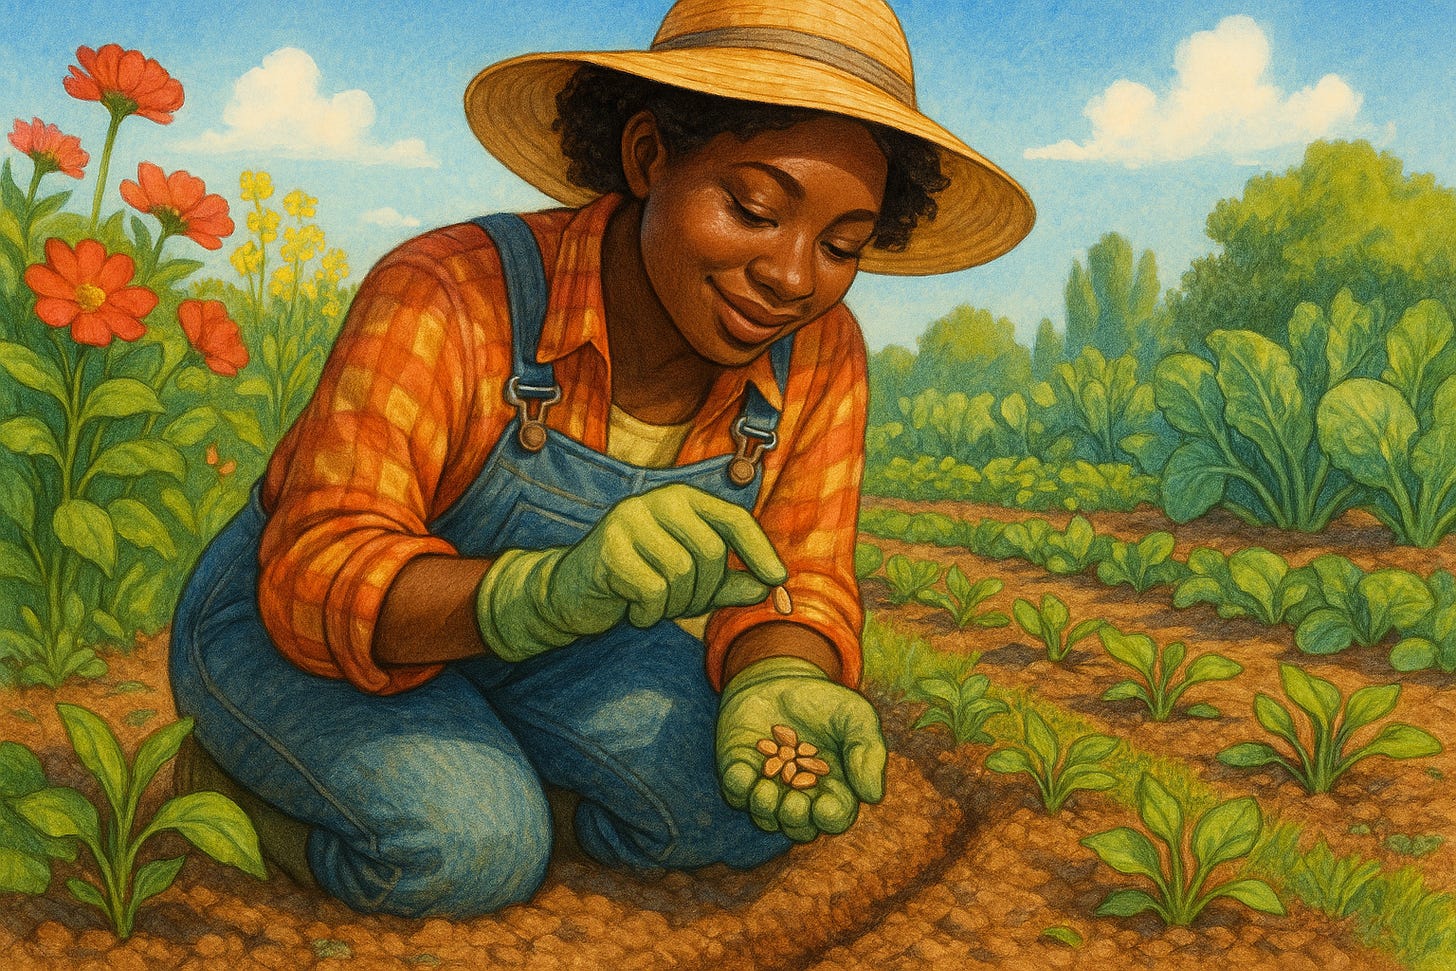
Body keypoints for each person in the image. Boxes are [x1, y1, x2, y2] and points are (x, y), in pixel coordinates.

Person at [169, 0, 1033, 918]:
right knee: (471, 848)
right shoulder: (450, 294)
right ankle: (222, 792)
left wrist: (783, 676)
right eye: (753, 210)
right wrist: (538, 594)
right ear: (650, 156)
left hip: (557, 646)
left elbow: (802, 575)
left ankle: (493, 760)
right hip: (303, 633)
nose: (791, 276)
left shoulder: (818, 352)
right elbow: (317, 570)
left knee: (749, 805)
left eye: (839, 245)